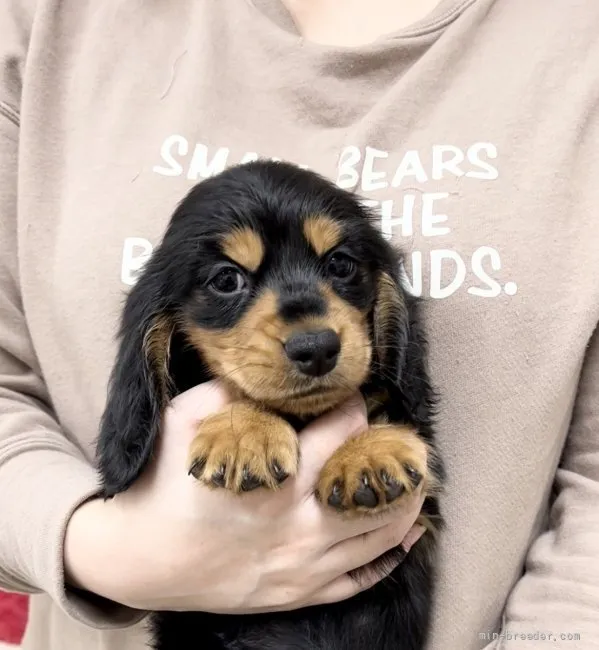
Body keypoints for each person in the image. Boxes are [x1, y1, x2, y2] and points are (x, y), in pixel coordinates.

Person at [1, 1, 598, 649]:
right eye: (228, 282)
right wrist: (113, 551)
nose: (310, 334)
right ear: (160, 326)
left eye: (339, 266)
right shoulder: (47, 20)